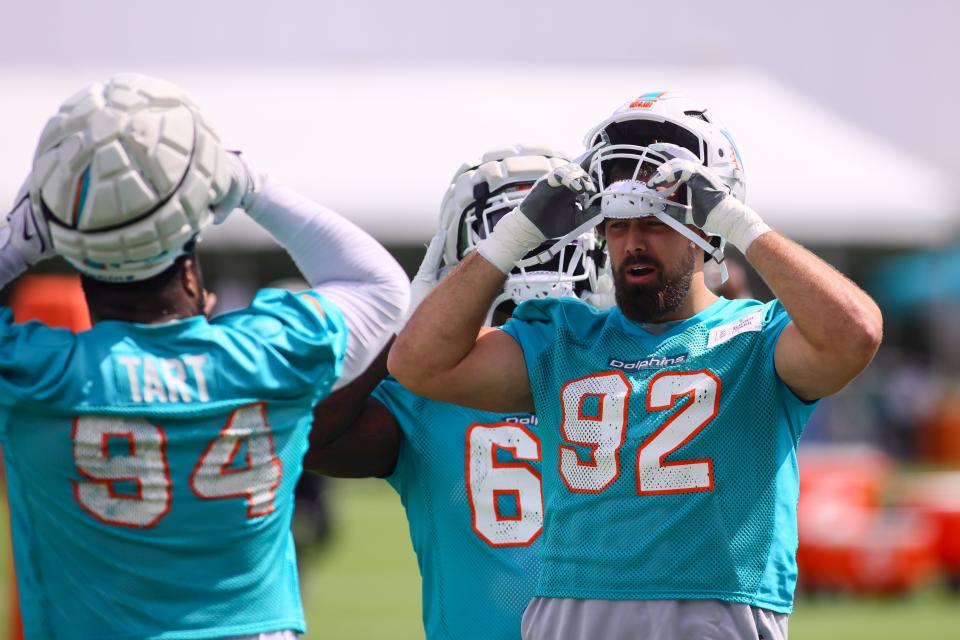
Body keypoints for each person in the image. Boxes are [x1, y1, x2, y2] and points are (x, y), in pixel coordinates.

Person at [389, 92, 883, 639]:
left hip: (717, 606)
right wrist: (518, 232)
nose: (632, 244)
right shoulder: (562, 335)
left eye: (655, 223)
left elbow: (854, 334)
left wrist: (739, 224)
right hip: (575, 607)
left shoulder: (757, 336)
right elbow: (418, 365)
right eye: (617, 226)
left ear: (706, 229)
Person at [0, 73, 409, 639]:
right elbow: (380, 285)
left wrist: (21, 238)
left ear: (84, 281)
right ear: (190, 271)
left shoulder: (36, 375)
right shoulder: (267, 353)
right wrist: (246, 183)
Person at [306, 145, 608, 639]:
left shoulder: (423, 393)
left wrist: (406, 321)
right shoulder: (633, 371)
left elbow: (308, 436)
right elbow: (310, 440)